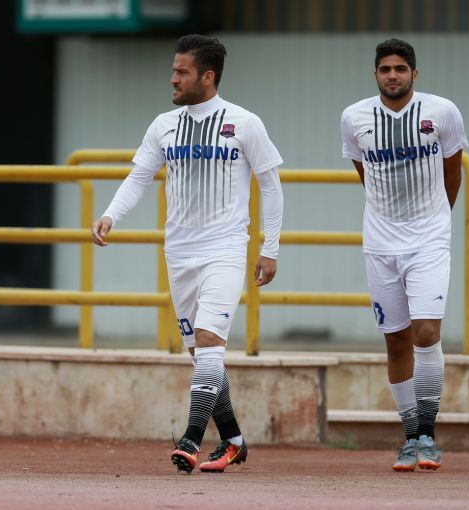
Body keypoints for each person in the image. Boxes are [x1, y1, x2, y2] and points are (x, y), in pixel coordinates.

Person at [91, 34, 284, 473]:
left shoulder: (244, 123)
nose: (173, 79)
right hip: (178, 252)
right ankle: (233, 440)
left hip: (225, 249)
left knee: (211, 341)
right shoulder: (164, 124)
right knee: (201, 353)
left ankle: (192, 440)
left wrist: (269, 248)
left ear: (207, 76)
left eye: (182, 72)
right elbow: (139, 176)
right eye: (173, 70)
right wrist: (110, 215)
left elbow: (271, 186)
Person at [341, 38, 468, 472]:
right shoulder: (354, 118)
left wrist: (434, 220)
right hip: (380, 243)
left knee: (426, 332)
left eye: (400, 68)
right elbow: (365, 173)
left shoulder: (442, 112)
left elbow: (454, 171)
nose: (392, 75)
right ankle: (410, 437)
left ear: (414, 73)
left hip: (429, 239)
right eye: (385, 69)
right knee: (395, 339)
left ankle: (429, 437)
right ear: (375, 74)